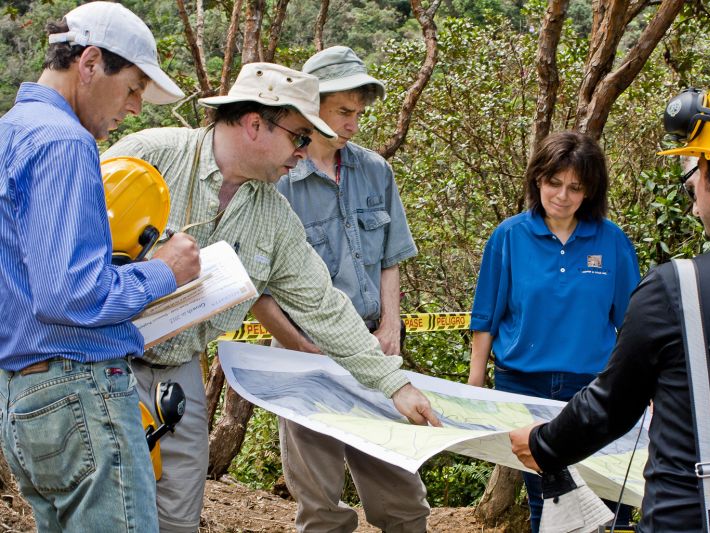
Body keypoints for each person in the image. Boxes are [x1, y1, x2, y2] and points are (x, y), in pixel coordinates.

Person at [102, 62, 441, 533]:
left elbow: (323, 307)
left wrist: (395, 386)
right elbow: (65, 252)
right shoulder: (150, 156)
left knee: (176, 517)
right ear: (256, 123)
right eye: (299, 136)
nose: (303, 152)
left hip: (178, 373)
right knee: (104, 512)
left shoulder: (274, 216)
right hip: (102, 364)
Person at [510, 76, 710, 531]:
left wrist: (544, 444)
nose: (693, 199)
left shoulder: (679, 288)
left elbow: (610, 406)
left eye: (692, 181)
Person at [0, 2, 200, 531]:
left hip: (24, 398)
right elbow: (70, 294)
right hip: (78, 391)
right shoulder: (66, 141)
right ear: (89, 62)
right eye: (133, 87)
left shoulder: (11, 131)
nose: (135, 107)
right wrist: (164, 270)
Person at [255, 46, 429, 532]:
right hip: (302, 358)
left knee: (402, 498)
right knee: (320, 507)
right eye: (344, 112)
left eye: (359, 113)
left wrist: (391, 327)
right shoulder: (277, 181)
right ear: (312, 109)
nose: (354, 123)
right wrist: (300, 347)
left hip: (372, 347)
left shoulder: (375, 169)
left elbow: (391, 258)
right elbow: (256, 289)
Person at [468, 131, 640, 531]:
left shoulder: (611, 241)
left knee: (607, 498)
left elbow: (632, 323)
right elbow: (486, 314)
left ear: (589, 192)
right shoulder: (509, 236)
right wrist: (476, 379)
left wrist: (644, 384)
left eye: (575, 187)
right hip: (523, 388)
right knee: (547, 501)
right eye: (554, 182)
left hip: (593, 388)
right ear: (537, 181)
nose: (562, 195)